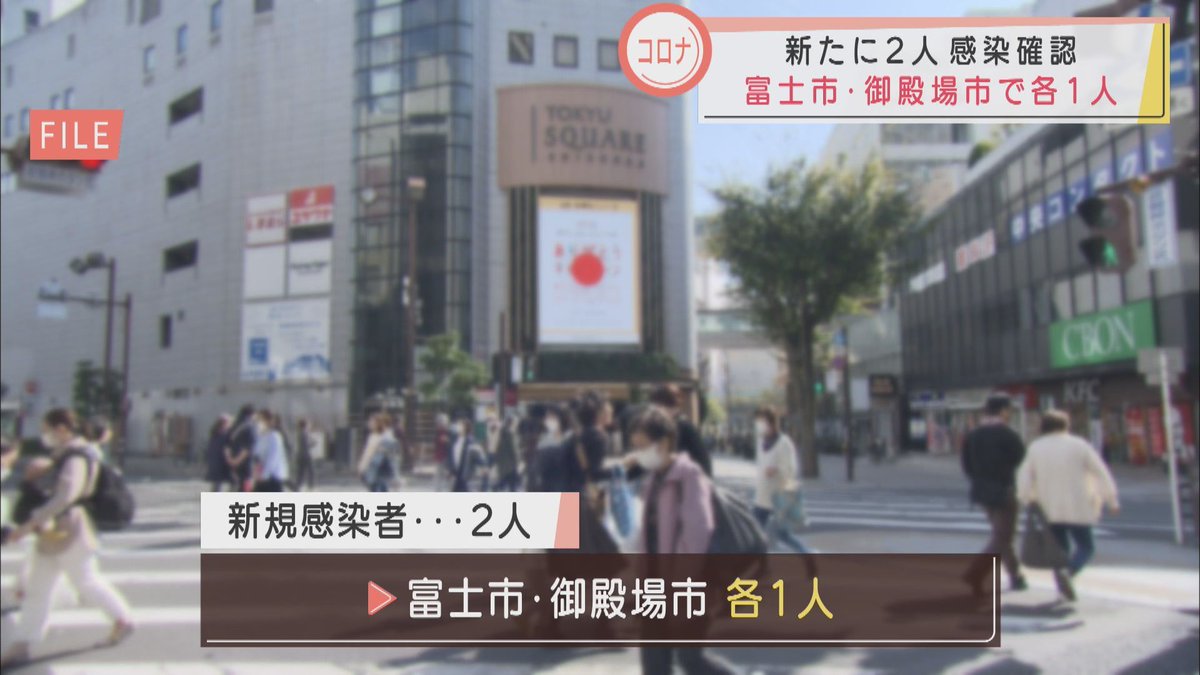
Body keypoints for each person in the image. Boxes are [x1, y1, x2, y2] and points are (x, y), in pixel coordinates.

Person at [0, 409, 134, 668]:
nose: (44, 435)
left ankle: (122, 618)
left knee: (85, 581)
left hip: (70, 529)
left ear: (61, 429)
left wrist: (32, 522)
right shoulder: (69, 453)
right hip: (56, 531)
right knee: (39, 588)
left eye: (46, 429)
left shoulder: (76, 455)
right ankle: (22, 645)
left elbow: (66, 495)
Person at [627, 406, 734, 675]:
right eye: (636, 446)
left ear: (663, 443)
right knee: (654, 663)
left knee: (690, 659)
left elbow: (697, 534)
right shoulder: (653, 479)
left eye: (642, 446)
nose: (638, 453)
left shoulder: (689, 475)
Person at [1017, 409, 1120, 601]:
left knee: (1059, 551)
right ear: (1066, 425)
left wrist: (1026, 497)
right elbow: (1100, 472)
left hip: (1049, 507)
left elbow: (1024, 476)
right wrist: (1111, 499)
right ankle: (1070, 573)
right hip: (1078, 506)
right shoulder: (1079, 445)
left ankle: (1062, 588)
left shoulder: (1036, 448)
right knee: (1086, 547)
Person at [961, 394, 1028, 595]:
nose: (1010, 413)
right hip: (1003, 490)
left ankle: (1016, 576)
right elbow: (1021, 458)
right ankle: (976, 572)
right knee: (1003, 536)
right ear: (1003, 411)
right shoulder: (1007, 434)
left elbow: (966, 465)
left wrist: (979, 479)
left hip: (982, 491)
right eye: (1009, 410)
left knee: (1001, 535)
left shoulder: (973, 435)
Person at [752, 406, 811, 553]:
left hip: (780, 496)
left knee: (783, 535)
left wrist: (776, 470)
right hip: (762, 497)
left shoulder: (784, 443)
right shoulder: (760, 441)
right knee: (754, 532)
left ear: (771, 423)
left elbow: (791, 469)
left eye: (762, 422)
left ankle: (807, 554)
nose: (759, 426)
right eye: (758, 423)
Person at [647, 384, 712, 478]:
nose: (659, 410)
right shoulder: (653, 428)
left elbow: (703, 462)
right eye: (656, 406)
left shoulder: (685, 428)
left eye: (667, 405)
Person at [358, 413, 398, 492]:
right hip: (380, 470)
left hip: (376, 469)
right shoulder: (383, 436)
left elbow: (369, 454)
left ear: (377, 424)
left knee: (377, 488)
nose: (369, 423)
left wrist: (362, 467)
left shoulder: (378, 437)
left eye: (371, 422)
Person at [252, 408, 289, 492]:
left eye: (260, 420)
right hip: (260, 476)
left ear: (267, 421)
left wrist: (264, 475)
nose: (258, 423)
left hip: (273, 478)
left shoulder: (274, 436)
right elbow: (256, 455)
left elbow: (273, 458)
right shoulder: (260, 437)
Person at [225, 405, 257, 492]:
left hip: (233, 462)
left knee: (237, 486)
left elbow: (227, 445)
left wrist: (231, 461)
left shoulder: (233, 426)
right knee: (246, 488)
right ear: (252, 414)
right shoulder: (250, 426)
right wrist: (237, 460)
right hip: (246, 463)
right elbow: (248, 447)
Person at [492, 414, 522, 492]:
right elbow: (513, 448)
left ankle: (496, 486)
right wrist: (517, 460)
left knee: (506, 480)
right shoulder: (510, 433)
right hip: (510, 463)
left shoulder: (501, 432)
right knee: (511, 483)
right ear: (511, 423)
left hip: (503, 462)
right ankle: (496, 486)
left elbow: (496, 447)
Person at [205, 414, 234, 492]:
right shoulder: (225, 434)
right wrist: (230, 460)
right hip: (222, 461)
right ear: (225, 423)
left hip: (214, 461)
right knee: (232, 482)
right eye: (229, 422)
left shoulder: (214, 432)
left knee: (217, 483)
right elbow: (226, 449)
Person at [294, 418, 317, 491]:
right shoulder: (305, 433)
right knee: (311, 471)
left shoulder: (299, 433)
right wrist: (313, 443)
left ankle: (298, 485)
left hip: (301, 455)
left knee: (301, 472)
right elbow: (308, 444)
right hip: (307, 455)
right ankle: (311, 486)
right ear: (305, 425)